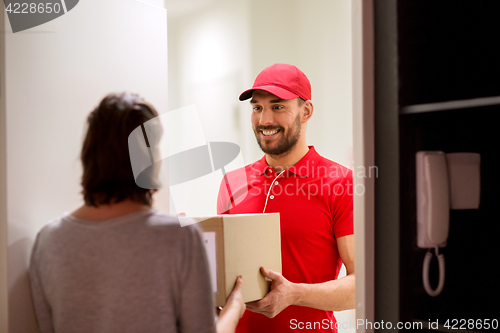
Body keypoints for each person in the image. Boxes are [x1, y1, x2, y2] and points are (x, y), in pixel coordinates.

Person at [29, 93, 245, 333]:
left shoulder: (48, 240)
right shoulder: (179, 238)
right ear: (148, 158)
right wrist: (234, 307)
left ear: (89, 155)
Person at [217, 64, 355, 333]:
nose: (264, 120)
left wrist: (295, 294)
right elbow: (226, 277)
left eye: (277, 106)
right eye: (257, 108)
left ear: (306, 111)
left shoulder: (340, 182)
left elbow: (362, 286)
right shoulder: (232, 183)